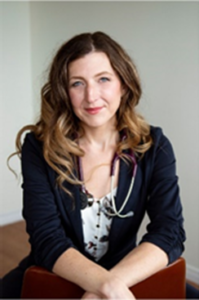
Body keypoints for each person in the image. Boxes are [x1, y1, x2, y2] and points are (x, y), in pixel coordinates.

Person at [1, 31, 198, 299]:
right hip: (56, 272)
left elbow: (170, 232)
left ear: (124, 85)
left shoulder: (155, 146)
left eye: (103, 79)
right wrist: (109, 288)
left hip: (128, 271)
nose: (91, 96)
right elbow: (46, 238)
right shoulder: (39, 147)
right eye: (77, 83)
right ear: (64, 92)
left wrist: (108, 286)